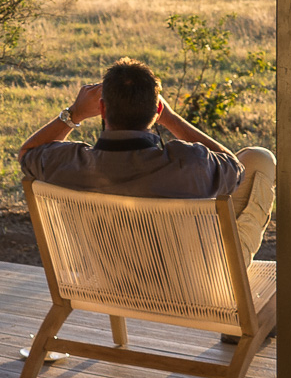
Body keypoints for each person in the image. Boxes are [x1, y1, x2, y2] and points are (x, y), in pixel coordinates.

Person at [18, 58, 276, 261]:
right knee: (259, 158)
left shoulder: (69, 163)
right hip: (197, 286)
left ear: (103, 109)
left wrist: (73, 114)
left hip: (110, 285)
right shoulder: (189, 163)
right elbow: (235, 168)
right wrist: (171, 118)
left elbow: (27, 153)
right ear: (157, 111)